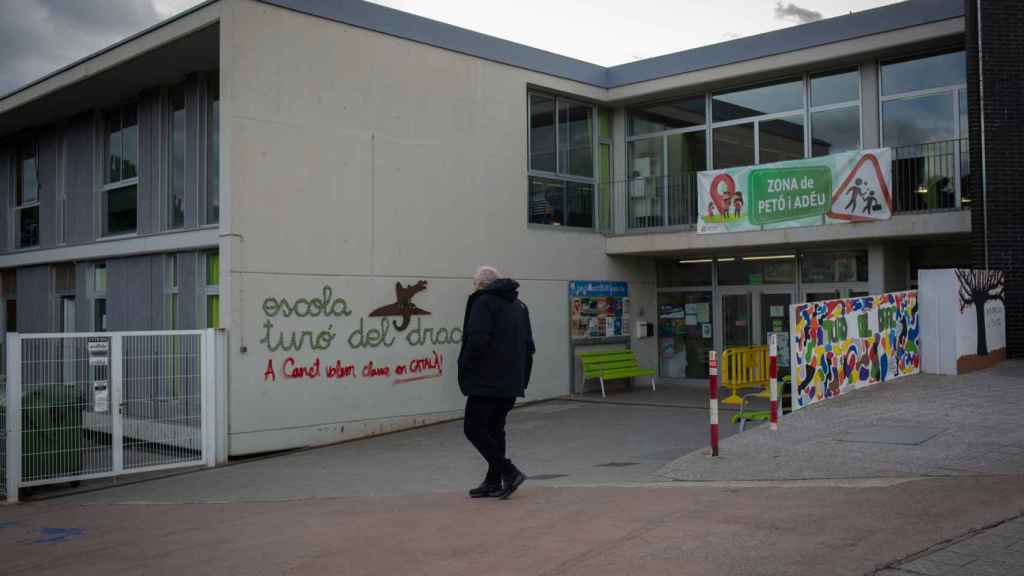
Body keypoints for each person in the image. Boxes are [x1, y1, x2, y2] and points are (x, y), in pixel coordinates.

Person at [458, 266, 535, 499]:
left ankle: (509, 472)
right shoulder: (519, 306)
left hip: (486, 380)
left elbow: (477, 339)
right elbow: (529, 346)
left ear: (483, 285)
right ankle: (493, 481)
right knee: (494, 429)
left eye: (475, 284)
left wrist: (465, 366)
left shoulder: (483, 302)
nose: (473, 288)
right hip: (511, 380)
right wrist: (522, 378)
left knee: (473, 428)